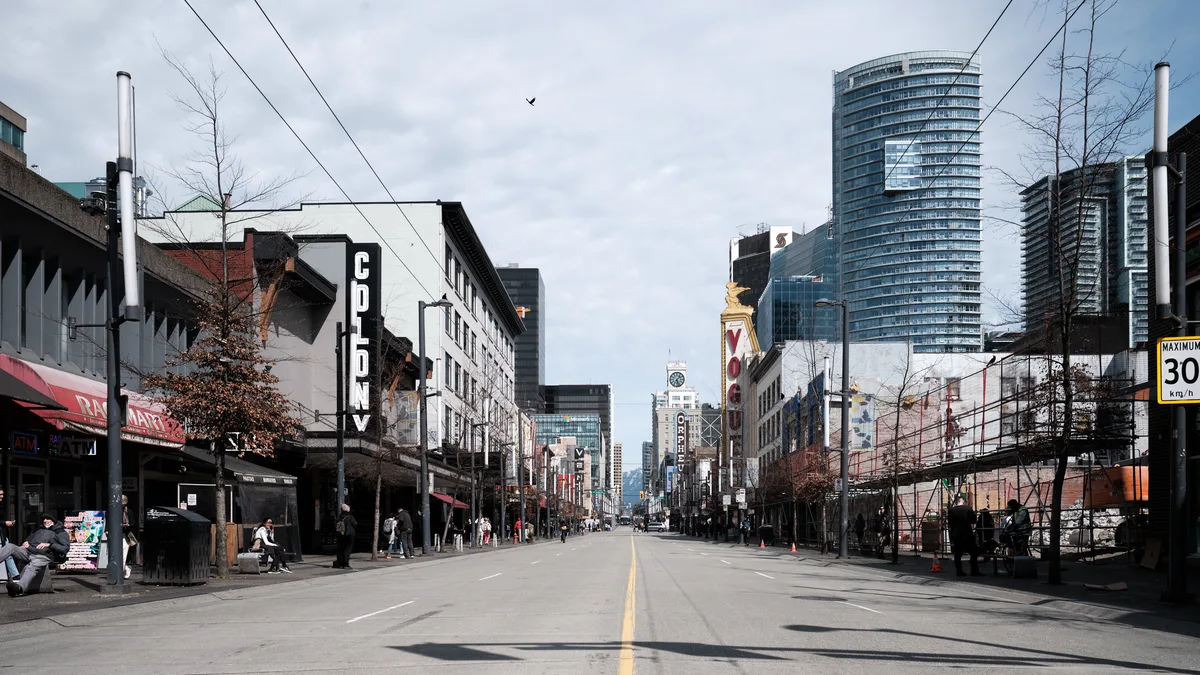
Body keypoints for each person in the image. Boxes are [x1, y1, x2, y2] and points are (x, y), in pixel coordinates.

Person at [1, 514, 69, 597]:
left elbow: (65, 548)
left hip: (44, 555)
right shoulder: (38, 530)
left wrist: (49, 545)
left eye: (48, 519)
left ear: (53, 521)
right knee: (10, 546)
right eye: (44, 519)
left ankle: (19, 588)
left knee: (32, 567)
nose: (45, 521)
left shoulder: (60, 532)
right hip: (28, 551)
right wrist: (25, 542)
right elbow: (27, 540)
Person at [947, 496, 983, 577]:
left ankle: (959, 571)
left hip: (956, 534)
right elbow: (973, 521)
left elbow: (950, 522)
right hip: (967, 533)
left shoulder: (951, 510)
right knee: (973, 552)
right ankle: (974, 571)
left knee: (958, 554)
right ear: (962, 501)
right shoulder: (968, 509)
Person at [0, 489, 18, 581]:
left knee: (8, 553)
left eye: (2, 494)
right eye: (0, 494)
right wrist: (4, 523)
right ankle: (15, 575)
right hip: (1, 533)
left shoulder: (1, 505)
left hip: (2, 533)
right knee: (6, 553)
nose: (2, 496)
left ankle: (15, 575)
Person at [334, 504, 356, 569]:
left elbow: (336, 525)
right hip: (348, 535)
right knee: (347, 549)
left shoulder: (338, 517)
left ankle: (340, 563)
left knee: (340, 549)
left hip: (341, 535)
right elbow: (355, 524)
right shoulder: (350, 517)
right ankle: (346, 564)